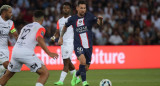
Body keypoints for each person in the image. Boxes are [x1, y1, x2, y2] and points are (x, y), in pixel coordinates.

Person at [0, 10, 58, 86]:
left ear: (33, 18)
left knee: (7, 75)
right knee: (44, 73)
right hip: (26, 53)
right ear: (42, 20)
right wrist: (49, 53)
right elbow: (39, 38)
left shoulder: (25, 27)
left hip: (15, 52)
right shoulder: (41, 28)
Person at [58, 1, 103, 86]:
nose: (83, 10)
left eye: (84, 8)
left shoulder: (89, 16)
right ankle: (84, 82)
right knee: (82, 61)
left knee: (85, 68)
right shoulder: (72, 19)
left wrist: (100, 20)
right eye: (81, 8)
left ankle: (75, 75)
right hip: (78, 44)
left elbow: (99, 24)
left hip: (89, 45)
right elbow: (65, 27)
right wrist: (61, 37)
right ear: (77, 8)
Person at [51, 2, 81, 85]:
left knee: (66, 63)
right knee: (68, 62)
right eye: (65, 8)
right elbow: (57, 31)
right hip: (62, 44)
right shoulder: (59, 21)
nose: (66, 9)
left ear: (70, 9)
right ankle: (77, 78)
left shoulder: (73, 19)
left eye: (68, 8)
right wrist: (54, 37)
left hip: (70, 42)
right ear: (62, 9)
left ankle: (61, 81)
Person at [0, 5, 18, 77]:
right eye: (10, 12)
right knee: (8, 65)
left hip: (5, 49)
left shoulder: (10, 23)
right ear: (4, 13)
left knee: (3, 70)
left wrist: (20, 41)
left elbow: (15, 34)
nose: (11, 14)